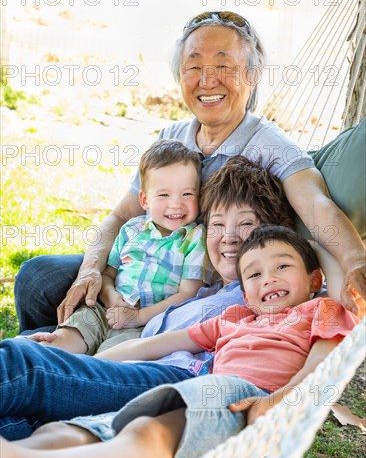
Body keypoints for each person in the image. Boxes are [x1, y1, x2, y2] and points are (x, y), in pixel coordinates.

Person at [14, 11, 366, 334]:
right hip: (143, 267)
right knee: (37, 279)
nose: (207, 80)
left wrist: (355, 260)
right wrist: (93, 269)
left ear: (253, 75)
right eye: (193, 67)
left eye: (224, 65)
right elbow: (123, 214)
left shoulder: (272, 146)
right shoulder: (171, 138)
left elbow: (318, 206)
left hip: (199, 289)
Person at [1, 226, 358, 458]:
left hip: (246, 398)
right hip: (197, 385)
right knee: (73, 427)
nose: (269, 278)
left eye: (283, 266)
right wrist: (77, 364)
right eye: (254, 274)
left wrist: (282, 399)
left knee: (148, 433)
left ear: (314, 280)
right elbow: (157, 345)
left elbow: (324, 362)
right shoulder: (235, 318)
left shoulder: (320, 309)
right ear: (246, 295)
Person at [0, 157, 296, 441]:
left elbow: (317, 297)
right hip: (127, 364)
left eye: (245, 224)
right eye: (217, 225)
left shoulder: (261, 300)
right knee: (25, 350)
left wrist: (80, 364)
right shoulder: (206, 289)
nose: (228, 236)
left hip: (170, 383)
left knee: (25, 364)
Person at [39, 139, 213, 355]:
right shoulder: (132, 229)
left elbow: (188, 294)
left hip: (144, 327)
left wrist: (138, 317)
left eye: (187, 194)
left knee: (103, 364)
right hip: (102, 312)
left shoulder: (194, 239)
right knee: (60, 344)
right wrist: (111, 298)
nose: (176, 203)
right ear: (145, 200)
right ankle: (33, 361)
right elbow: (108, 274)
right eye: (164, 195)